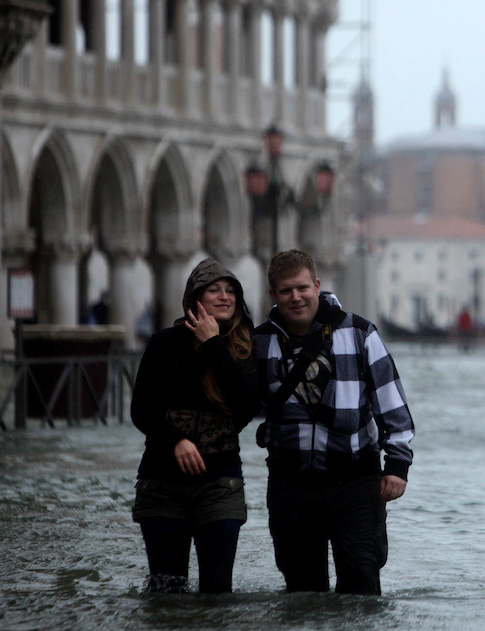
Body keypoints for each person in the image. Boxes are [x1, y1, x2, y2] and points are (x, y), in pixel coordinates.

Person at [254, 250, 415, 594]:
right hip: (290, 483)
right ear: (274, 295)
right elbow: (240, 403)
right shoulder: (260, 341)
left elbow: (391, 402)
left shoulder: (359, 332)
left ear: (317, 285)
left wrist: (398, 465)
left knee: (361, 581)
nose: (295, 297)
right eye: (285, 291)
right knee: (302, 591)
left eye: (302, 288)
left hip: (356, 480)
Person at [130, 259, 257, 593]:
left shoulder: (245, 347)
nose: (224, 296)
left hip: (220, 483)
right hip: (161, 482)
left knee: (217, 591)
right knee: (166, 589)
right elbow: (141, 409)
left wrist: (215, 344)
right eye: (213, 289)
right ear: (194, 299)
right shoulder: (163, 343)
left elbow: (247, 406)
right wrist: (177, 440)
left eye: (231, 290)